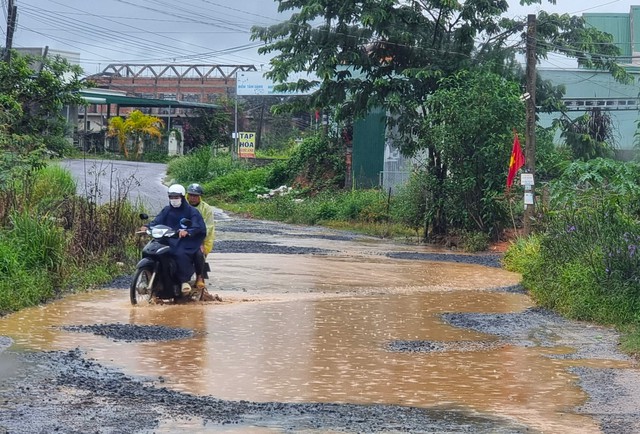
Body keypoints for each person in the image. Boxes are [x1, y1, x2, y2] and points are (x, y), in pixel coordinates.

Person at [141, 184, 206, 296]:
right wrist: (147, 227)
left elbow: (197, 226)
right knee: (150, 251)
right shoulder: (167, 210)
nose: (174, 200)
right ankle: (149, 277)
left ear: (182, 197)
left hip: (186, 240)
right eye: (171, 197)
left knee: (179, 253)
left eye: (176, 197)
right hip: (167, 238)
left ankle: (183, 281)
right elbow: (157, 221)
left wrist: (188, 231)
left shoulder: (192, 211)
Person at [186, 183, 215, 290]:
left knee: (199, 255)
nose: (193, 198)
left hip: (201, 239)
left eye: (195, 196)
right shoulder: (182, 205)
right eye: (191, 195)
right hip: (183, 236)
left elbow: (208, 227)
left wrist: (201, 242)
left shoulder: (206, 209)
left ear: (200, 196)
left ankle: (200, 278)